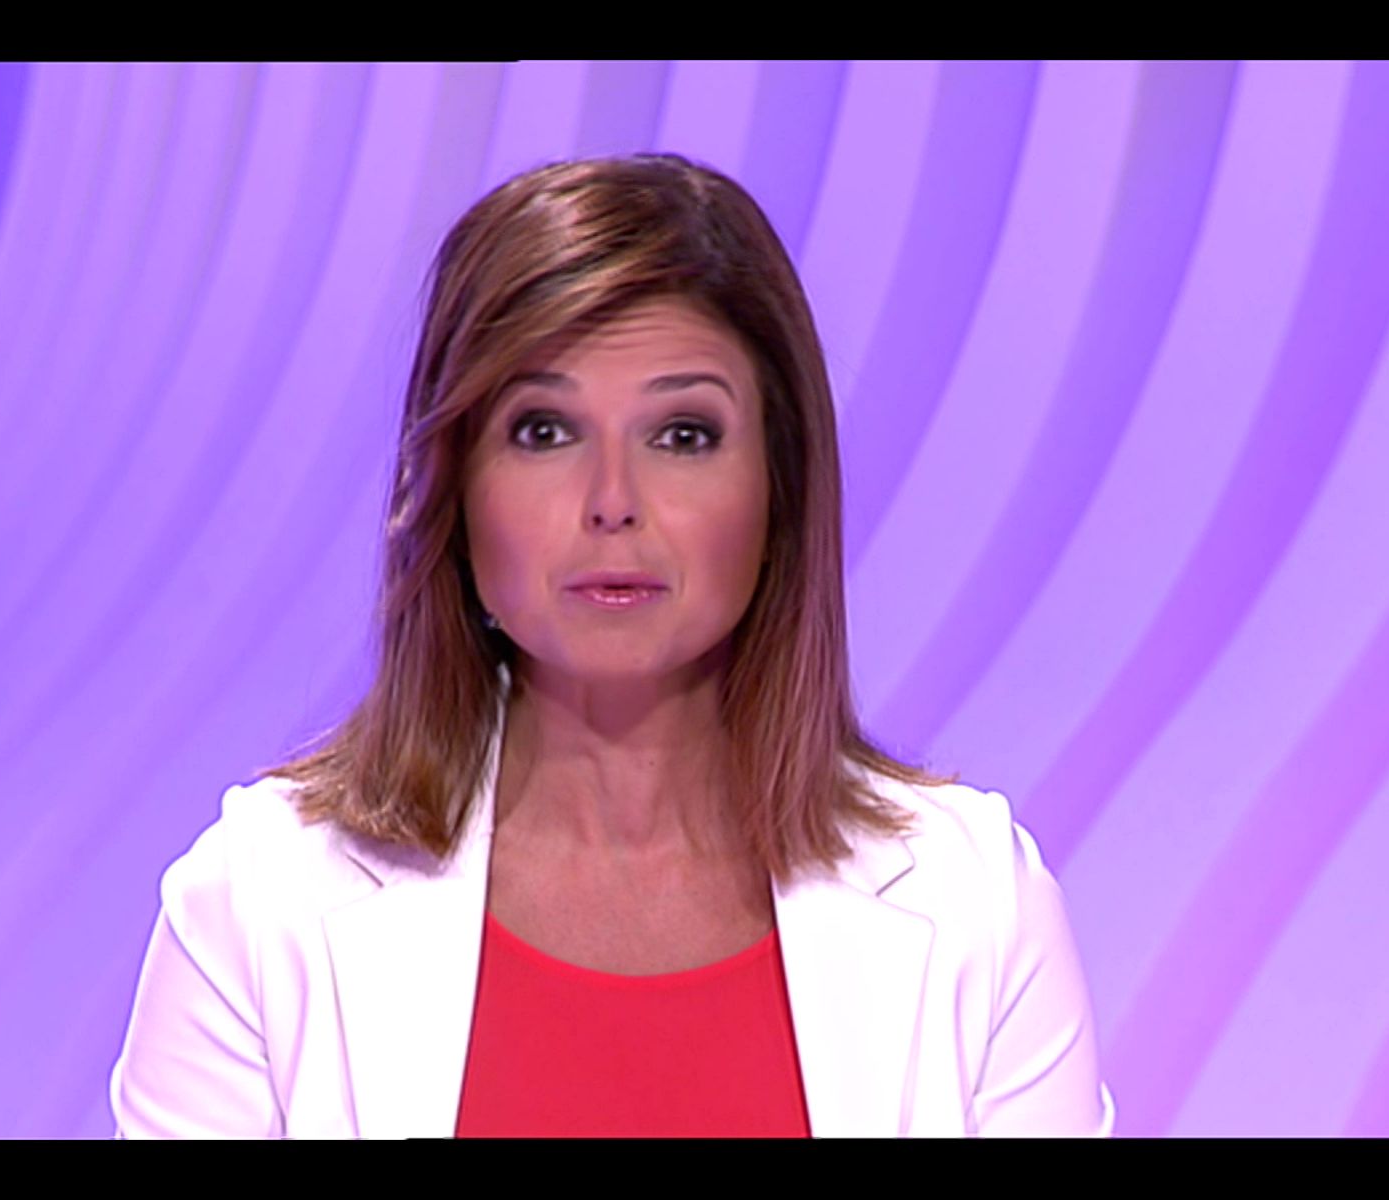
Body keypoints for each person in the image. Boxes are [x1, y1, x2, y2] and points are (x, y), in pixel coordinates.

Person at [108, 153, 1117, 1138]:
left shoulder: (974, 904)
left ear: (781, 488)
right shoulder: (259, 904)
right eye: (545, 431)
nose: (613, 502)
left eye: (682, 435)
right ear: (454, 487)